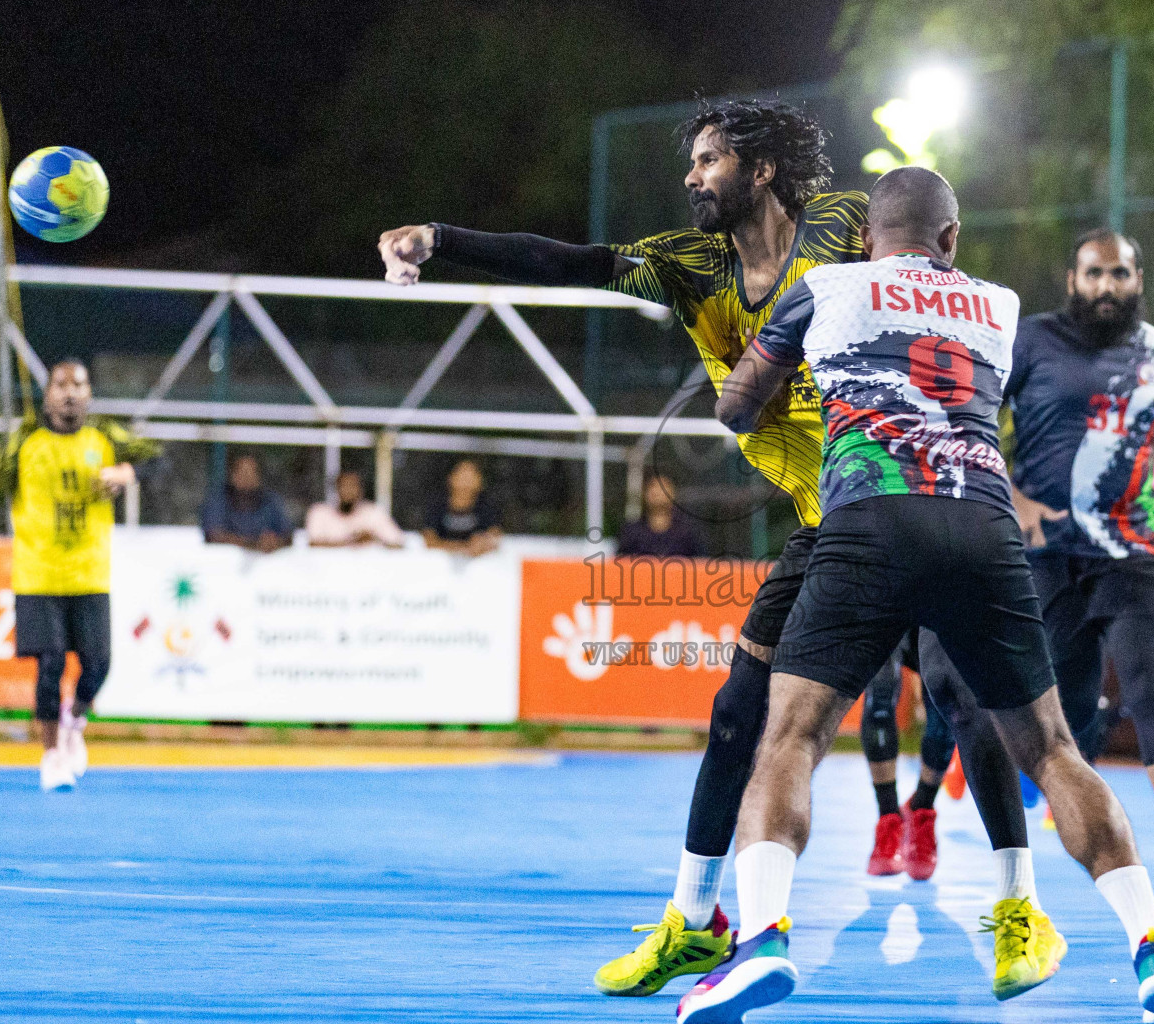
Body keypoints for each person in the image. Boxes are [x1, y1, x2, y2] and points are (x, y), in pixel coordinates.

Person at [381, 99, 1056, 1000]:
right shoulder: (689, 267)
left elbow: (941, 290)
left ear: (762, 169)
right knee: (738, 713)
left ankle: (1018, 911)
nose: (692, 177)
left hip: (918, 493)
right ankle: (695, 927)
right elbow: (571, 262)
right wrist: (441, 238)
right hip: (831, 525)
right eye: (692, 162)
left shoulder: (849, 226)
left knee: (962, 700)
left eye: (708, 160)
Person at [687, 166, 1154, 1024]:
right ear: (952, 240)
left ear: (863, 238)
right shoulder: (998, 307)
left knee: (792, 737)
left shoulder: (828, 285)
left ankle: (761, 939)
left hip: (869, 520)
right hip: (983, 527)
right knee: (1051, 749)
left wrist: (781, 368)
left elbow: (737, 410)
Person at [1004, 228, 1154, 851]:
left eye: (1120, 274)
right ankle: (1036, 778)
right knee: (1071, 700)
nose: (1107, 286)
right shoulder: (1030, 338)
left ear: (1138, 281)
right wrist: (1015, 497)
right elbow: (967, 417)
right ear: (1072, 281)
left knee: (1147, 681)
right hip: (1049, 549)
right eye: (1094, 274)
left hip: (1132, 548)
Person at [0, 359, 160, 791]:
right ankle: (52, 755)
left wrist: (127, 472)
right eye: (61, 384)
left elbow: (158, 460)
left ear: (89, 393)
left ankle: (76, 719)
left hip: (89, 572)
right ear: (48, 393)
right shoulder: (24, 440)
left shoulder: (106, 437)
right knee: (51, 662)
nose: (70, 392)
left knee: (99, 664)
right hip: (39, 573)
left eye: (79, 384)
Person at [860, 630, 953, 881]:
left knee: (946, 694)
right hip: (885, 592)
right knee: (880, 690)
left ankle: (921, 807)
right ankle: (888, 818)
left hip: (940, 594)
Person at [200, 452, 291, 552]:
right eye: (243, 472)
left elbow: (287, 536)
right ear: (232, 475)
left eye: (251, 472)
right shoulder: (218, 500)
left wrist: (275, 542)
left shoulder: (270, 501)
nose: (247, 477)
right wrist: (253, 544)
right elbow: (214, 535)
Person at [422, 459, 503, 555]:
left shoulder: (487, 506)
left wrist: (483, 542)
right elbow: (429, 539)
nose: (466, 482)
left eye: (471, 477)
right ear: (451, 478)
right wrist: (461, 548)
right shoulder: (437, 504)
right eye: (462, 475)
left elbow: (494, 535)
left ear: (480, 481)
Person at [306, 470, 404, 548]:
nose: (347, 491)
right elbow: (313, 544)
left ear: (360, 490)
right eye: (343, 486)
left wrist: (373, 538)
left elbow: (397, 544)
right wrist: (353, 541)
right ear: (336, 489)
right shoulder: (320, 512)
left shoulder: (373, 512)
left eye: (352, 486)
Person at [617, 473, 705, 557]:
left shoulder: (688, 532)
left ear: (673, 493)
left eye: (663, 486)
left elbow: (701, 565)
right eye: (652, 486)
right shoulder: (631, 531)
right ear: (645, 493)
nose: (657, 491)